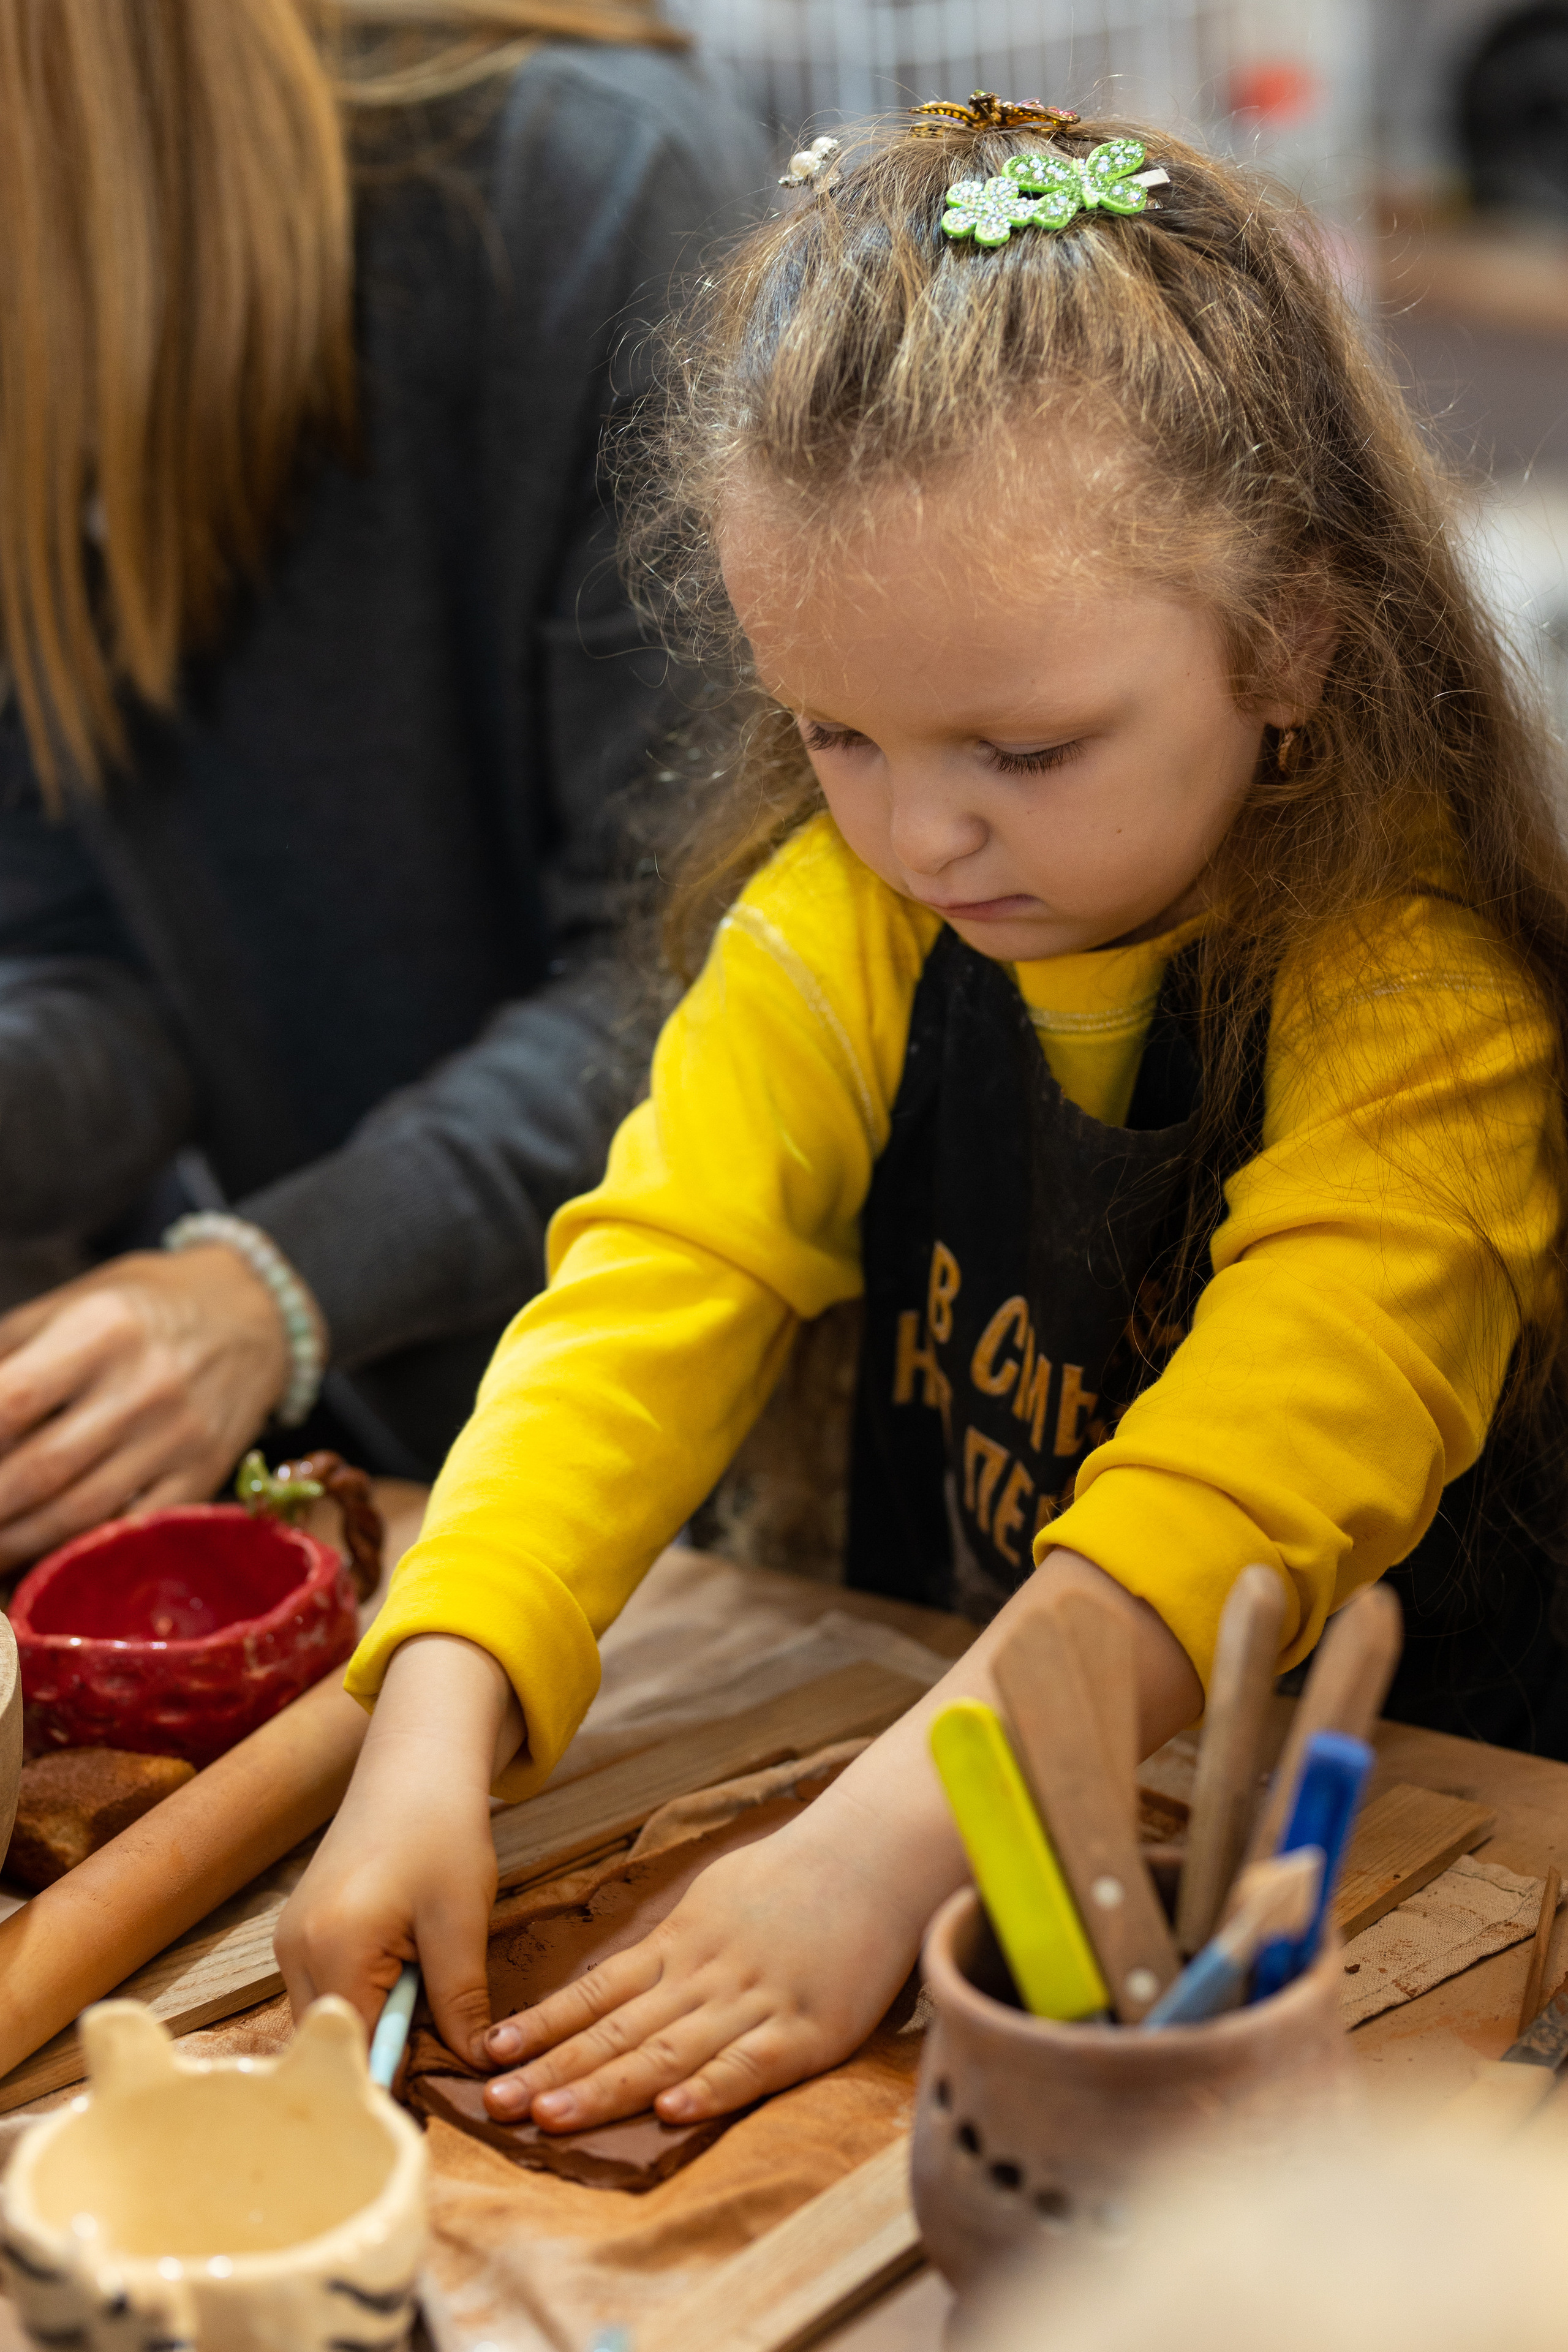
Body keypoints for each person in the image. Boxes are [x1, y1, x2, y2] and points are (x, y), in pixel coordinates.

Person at [277, 104, 1568, 2129]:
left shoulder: (1427, 1011)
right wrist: (437, 1703)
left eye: (1024, 750)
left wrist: (880, 1855)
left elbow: (1231, 1502)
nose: (917, 833)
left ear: (1290, 636)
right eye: (835, 732)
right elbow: (650, 1295)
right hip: (981, 1758)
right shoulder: (847, 923)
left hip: (1427, 1867)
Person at [0, 0, 763, 1562]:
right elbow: (106, 975)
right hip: (376, 1468)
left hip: (700, 1450)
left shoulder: (594, 185)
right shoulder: (52, 313)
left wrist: (275, 1286)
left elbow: (699, 970)